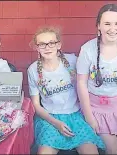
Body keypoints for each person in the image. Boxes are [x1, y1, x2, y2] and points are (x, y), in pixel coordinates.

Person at [27, 26, 105, 154]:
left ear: (59, 45)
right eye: (42, 44)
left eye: (51, 43)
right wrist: (56, 123)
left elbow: (90, 82)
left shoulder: (73, 61)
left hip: (76, 116)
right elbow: (36, 105)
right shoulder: (33, 70)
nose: (47, 47)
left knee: (91, 151)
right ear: (36, 47)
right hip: (50, 118)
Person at [76, 4, 117, 154]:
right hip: (96, 109)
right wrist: (88, 116)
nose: (113, 28)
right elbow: (81, 83)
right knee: (114, 151)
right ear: (98, 26)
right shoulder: (88, 49)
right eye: (107, 23)